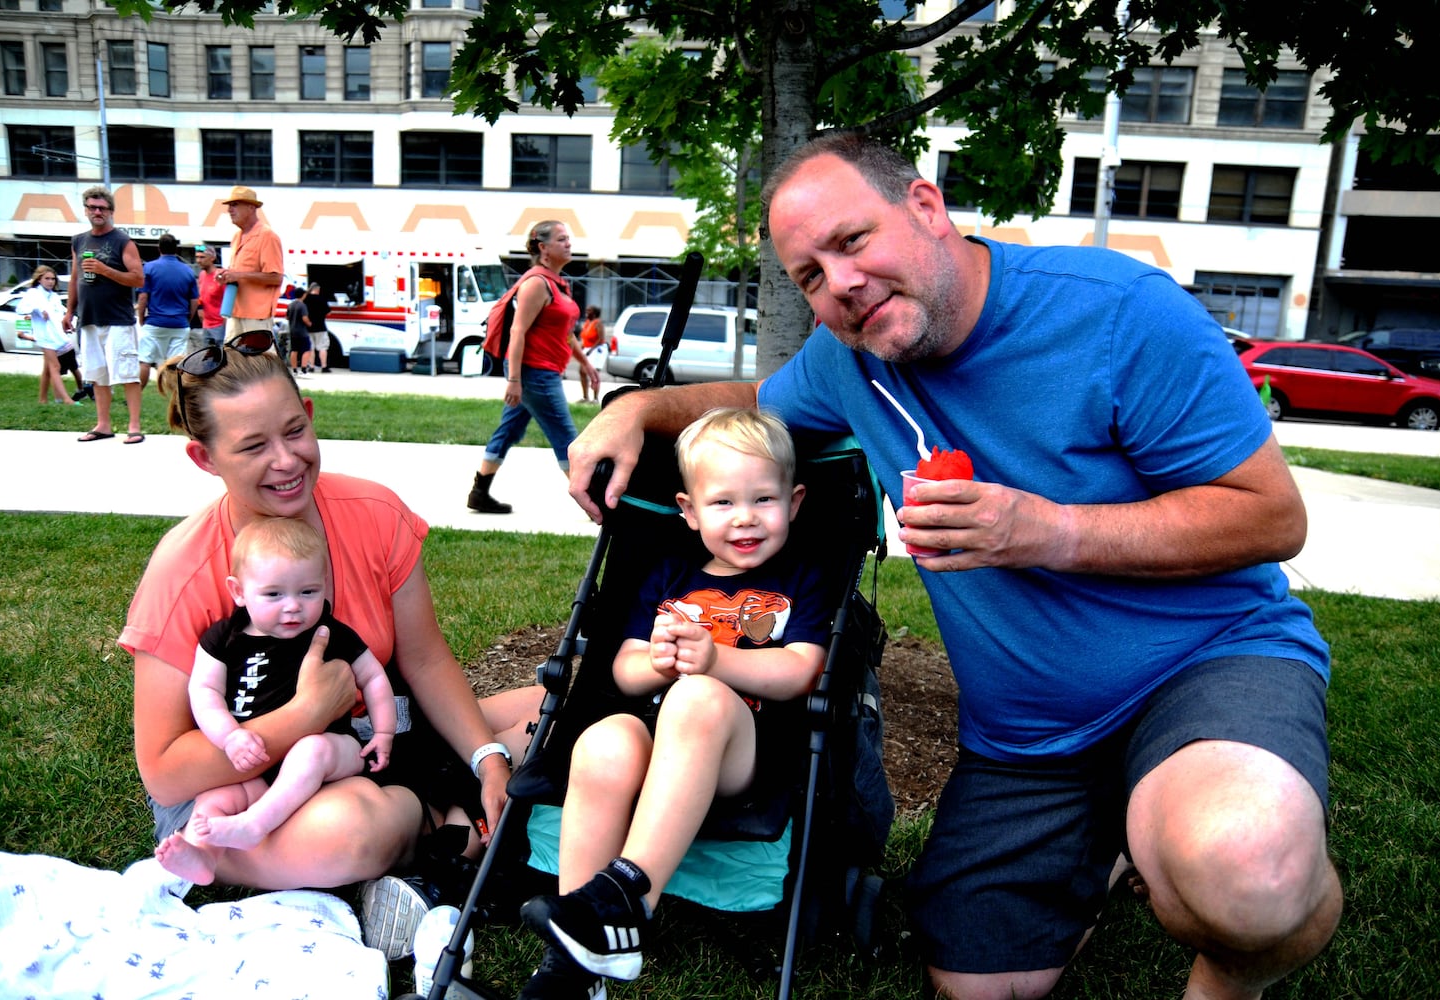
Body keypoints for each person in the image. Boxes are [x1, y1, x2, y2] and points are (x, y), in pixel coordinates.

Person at [565, 134, 1341, 1000]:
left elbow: (1273, 516)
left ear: (926, 207)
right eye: (809, 276)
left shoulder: (1120, 313)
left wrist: (1045, 531)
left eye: (852, 242)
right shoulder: (850, 358)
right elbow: (757, 402)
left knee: (1244, 873)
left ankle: (1221, 942)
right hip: (1028, 736)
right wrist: (639, 407)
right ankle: (1115, 838)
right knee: (974, 986)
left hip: (1200, 661)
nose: (841, 286)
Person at [120, 335, 543, 960]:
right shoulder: (183, 571)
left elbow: (424, 658)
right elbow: (164, 770)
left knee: (551, 713)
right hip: (237, 799)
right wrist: (304, 716)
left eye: (294, 432)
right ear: (204, 459)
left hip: (368, 744)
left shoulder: (373, 512)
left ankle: (452, 814)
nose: (287, 459)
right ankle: (445, 831)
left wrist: (486, 757)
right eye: (254, 446)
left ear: (311, 416)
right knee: (352, 830)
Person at [517, 407, 831, 998]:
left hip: (741, 754)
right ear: (688, 511)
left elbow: (800, 672)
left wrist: (715, 662)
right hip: (661, 736)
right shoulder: (672, 578)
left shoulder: (800, 579)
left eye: (763, 500)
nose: (745, 519)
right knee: (606, 740)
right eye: (723, 504)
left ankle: (627, 898)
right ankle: (577, 958)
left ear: (794, 502)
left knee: (698, 698)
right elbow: (625, 668)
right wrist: (655, 661)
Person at [156, 516, 398, 886]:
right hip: (257, 765)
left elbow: (373, 678)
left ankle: (254, 825)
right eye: (274, 594)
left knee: (311, 751)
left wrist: (383, 732)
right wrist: (230, 737)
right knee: (216, 799)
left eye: (308, 592)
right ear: (239, 592)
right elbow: (204, 694)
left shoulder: (330, 633)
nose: (293, 608)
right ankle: (202, 856)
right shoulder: (224, 638)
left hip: (333, 754)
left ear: (324, 587)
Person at [466, 220, 601, 515]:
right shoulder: (536, 283)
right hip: (534, 373)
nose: (569, 244)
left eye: (569, 239)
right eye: (562, 239)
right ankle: (594, 505)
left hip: (540, 371)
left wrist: (587, 365)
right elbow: (518, 331)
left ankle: (479, 492)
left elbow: (566, 334)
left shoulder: (556, 283)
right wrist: (514, 379)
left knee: (508, 431)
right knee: (566, 437)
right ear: (544, 248)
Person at [64, 185, 145, 444]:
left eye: (102, 208)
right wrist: (69, 311)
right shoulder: (79, 240)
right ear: (85, 210)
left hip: (117, 320)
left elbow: (138, 278)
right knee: (97, 375)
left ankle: (134, 426)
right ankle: (104, 425)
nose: (97, 211)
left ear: (110, 211)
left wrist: (105, 270)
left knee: (127, 374)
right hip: (88, 318)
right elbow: (76, 278)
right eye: (92, 207)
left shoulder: (123, 241)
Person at [219, 185, 284, 342]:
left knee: (257, 363)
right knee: (231, 361)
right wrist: (226, 275)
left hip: (256, 315)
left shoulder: (267, 235)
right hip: (235, 311)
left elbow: (276, 277)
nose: (229, 210)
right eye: (229, 206)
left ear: (251, 207)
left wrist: (238, 275)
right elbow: (240, 273)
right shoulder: (236, 237)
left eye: (235, 205)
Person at [137, 233, 200, 390]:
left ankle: (136, 395)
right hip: (179, 323)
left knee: (144, 360)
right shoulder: (188, 271)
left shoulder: (149, 268)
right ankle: (176, 396)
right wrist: (188, 319)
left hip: (155, 322)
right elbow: (194, 301)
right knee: (175, 363)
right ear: (176, 249)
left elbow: (143, 296)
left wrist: (141, 318)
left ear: (159, 248)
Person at [15, 265, 82, 406]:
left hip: (55, 334)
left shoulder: (54, 296)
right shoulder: (33, 293)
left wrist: (67, 323)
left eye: (52, 279)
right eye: (47, 278)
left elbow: (60, 313)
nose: (50, 282)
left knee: (47, 369)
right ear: (39, 279)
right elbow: (20, 309)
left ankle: (42, 399)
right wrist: (38, 310)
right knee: (55, 367)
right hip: (44, 336)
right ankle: (66, 399)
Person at [194, 244, 227, 349]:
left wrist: (226, 326)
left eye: (202, 257)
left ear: (212, 258)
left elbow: (229, 302)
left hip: (220, 325)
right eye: (197, 257)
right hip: (206, 325)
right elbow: (201, 297)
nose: (198, 260)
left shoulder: (220, 276)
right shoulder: (202, 275)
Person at [577, 304, 605, 404]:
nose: (586, 312)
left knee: (594, 373)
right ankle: (585, 397)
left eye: (589, 311)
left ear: (594, 313)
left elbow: (601, 338)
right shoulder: (587, 322)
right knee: (582, 371)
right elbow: (584, 337)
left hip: (596, 350)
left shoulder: (598, 323)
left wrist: (591, 350)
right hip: (587, 348)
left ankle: (595, 398)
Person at [285, 285, 314, 374]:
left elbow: (287, 317)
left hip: (292, 330)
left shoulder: (290, 305)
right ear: (303, 295)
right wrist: (309, 323)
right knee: (306, 349)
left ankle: (294, 370)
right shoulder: (302, 305)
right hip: (302, 331)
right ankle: (304, 369)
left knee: (294, 350)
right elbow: (304, 318)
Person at [305, 281, 332, 372]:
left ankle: (311, 367)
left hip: (308, 327)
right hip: (320, 327)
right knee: (323, 347)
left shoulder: (306, 299)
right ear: (317, 289)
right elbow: (328, 311)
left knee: (310, 348)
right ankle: (324, 367)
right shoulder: (322, 299)